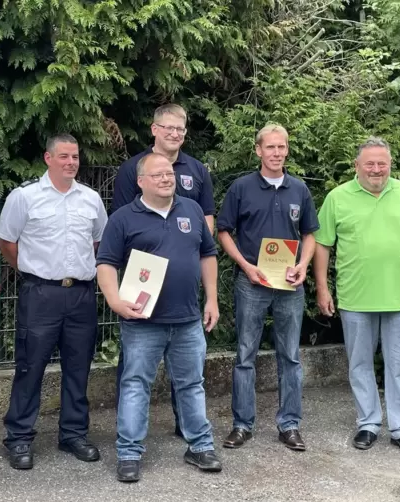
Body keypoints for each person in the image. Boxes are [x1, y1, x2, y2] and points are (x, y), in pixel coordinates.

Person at [96, 152, 222, 483]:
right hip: (141, 323)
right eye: (158, 175)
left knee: (192, 384)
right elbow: (106, 264)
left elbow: (207, 254)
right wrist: (115, 301)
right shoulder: (123, 218)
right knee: (136, 385)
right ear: (140, 182)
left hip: (188, 320)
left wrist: (212, 299)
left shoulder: (192, 210)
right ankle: (129, 453)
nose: (168, 178)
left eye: (170, 173)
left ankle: (200, 446)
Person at [313, 136, 400, 456]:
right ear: (356, 166)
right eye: (369, 163)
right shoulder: (337, 197)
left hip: (398, 299)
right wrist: (323, 287)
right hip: (355, 299)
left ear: (390, 164)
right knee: (359, 365)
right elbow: (322, 246)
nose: (376, 169)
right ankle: (368, 423)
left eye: (382, 163)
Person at [0, 134, 108, 470]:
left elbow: (99, 241)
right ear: (48, 158)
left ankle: (73, 434)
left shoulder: (90, 198)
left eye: (75, 156)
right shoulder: (25, 197)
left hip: (81, 295)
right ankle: (19, 437)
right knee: (30, 367)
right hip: (41, 294)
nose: (71, 163)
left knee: (78, 367)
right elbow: (6, 242)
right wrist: (34, 273)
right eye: (63, 156)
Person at [111, 103, 216, 438]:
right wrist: (120, 295)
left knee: (189, 379)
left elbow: (206, 227)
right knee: (134, 378)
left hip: (184, 303)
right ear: (154, 129)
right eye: (167, 128)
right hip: (142, 297)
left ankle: (187, 432)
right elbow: (124, 227)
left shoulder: (197, 170)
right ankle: (129, 440)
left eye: (180, 129)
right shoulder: (132, 169)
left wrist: (204, 285)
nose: (174, 134)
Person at [216, 124, 319, 452]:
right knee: (245, 355)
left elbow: (310, 235)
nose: (277, 153)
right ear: (258, 150)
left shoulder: (299, 189)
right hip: (252, 283)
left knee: (290, 356)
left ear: (287, 150)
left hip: (289, 285)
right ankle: (242, 425)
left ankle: (290, 425)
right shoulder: (241, 188)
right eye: (270, 147)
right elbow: (223, 231)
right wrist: (246, 266)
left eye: (282, 147)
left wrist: (303, 266)